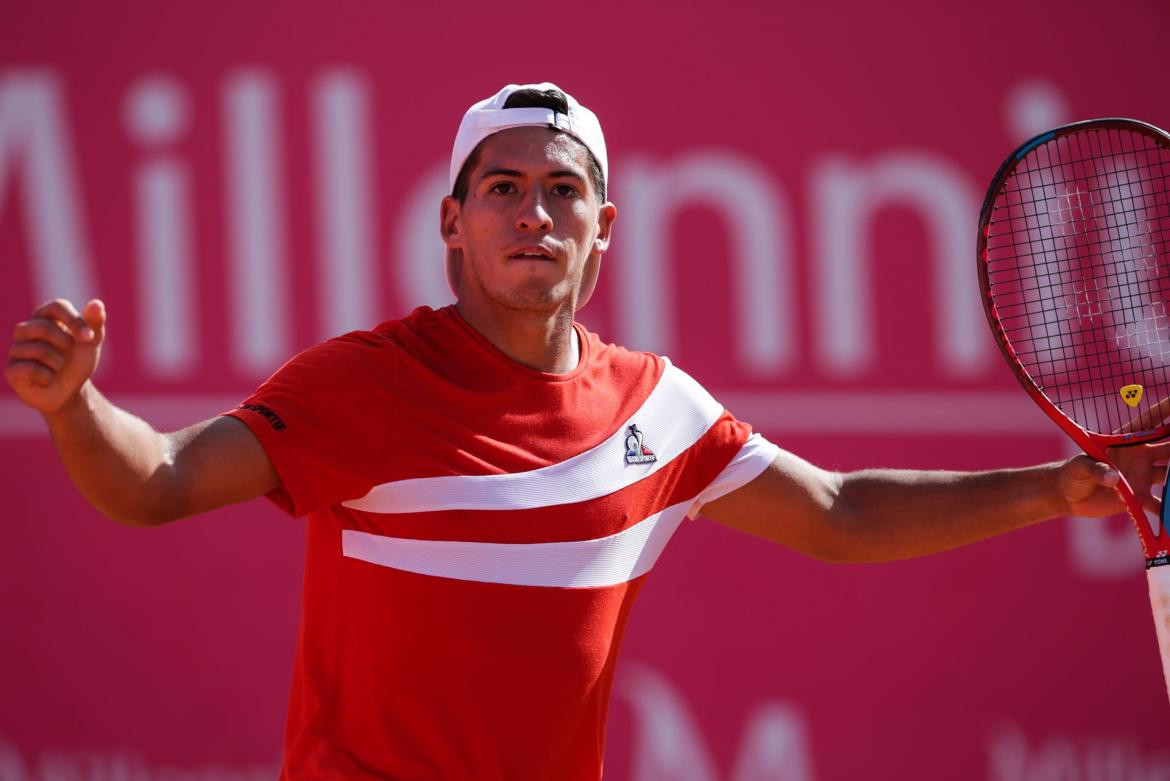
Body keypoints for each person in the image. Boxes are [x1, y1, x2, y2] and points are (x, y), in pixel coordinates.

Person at [4, 83, 1165, 779]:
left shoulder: (658, 408)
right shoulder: (362, 386)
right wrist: (76, 407)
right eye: (501, 189)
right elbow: (151, 482)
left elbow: (843, 511)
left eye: (562, 191)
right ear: (451, 225)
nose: (533, 213)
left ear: (603, 229)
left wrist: (1060, 489)